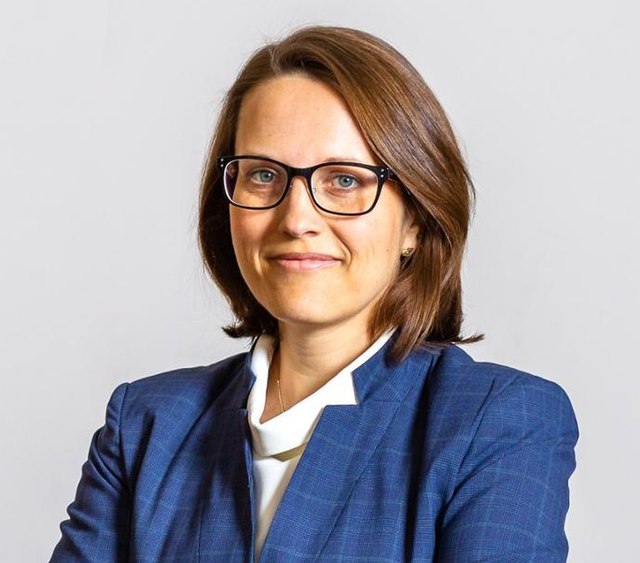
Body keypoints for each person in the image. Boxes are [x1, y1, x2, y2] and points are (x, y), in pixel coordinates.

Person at [51, 26, 578, 562]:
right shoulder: (147, 424)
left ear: (415, 221)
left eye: (344, 180)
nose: (296, 219)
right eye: (263, 175)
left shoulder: (498, 422)